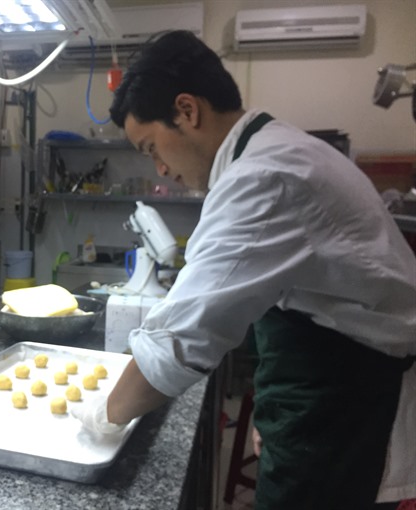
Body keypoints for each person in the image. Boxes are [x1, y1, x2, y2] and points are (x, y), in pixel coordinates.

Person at [72, 30, 416, 509]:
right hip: (321, 389)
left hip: (347, 411)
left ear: (186, 110)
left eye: (151, 147)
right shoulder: (277, 150)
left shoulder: (264, 177)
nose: (161, 170)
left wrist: (94, 422)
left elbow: (178, 342)